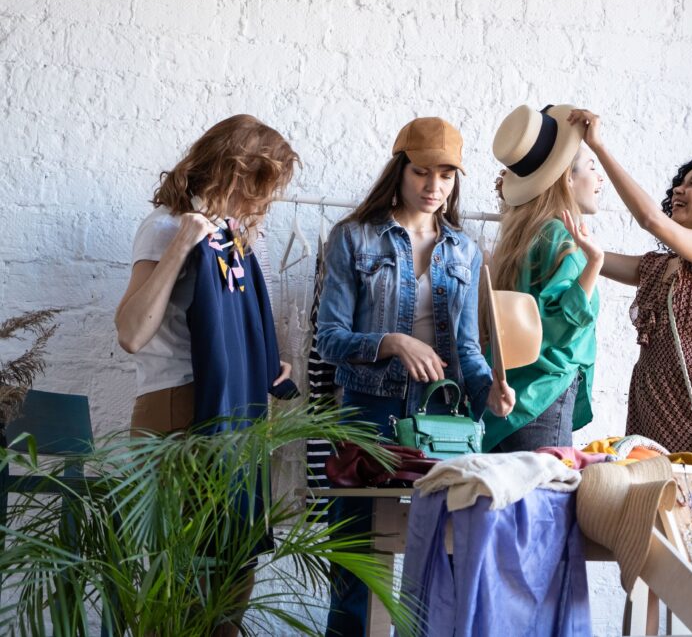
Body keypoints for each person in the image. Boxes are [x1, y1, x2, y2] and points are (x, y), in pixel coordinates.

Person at [315, 116, 515, 636]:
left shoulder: (465, 252)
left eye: (446, 176)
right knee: (357, 565)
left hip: (442, 424)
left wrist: (489, 391)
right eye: (423, 172)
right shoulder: (354, 239)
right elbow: (328, 340)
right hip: (369, 417)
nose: (434, 187)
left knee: (443, 562)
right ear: (400, 170)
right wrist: (392, 342)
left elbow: (468, 353)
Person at [115, 114, 299, 636]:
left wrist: (259, 362)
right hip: (178, 411)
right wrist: (181, 245)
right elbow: (131, 332)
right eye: (257, 186)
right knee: (179, 587)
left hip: (230, 413)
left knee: (229, 580)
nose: (261, 203)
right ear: (227, 171)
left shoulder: (233, 239)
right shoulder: (168, 227)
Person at [564, 108, 692, 453]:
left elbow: (650, 219)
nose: (679, 189)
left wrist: (598, 147)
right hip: (648, 397)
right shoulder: (660, 267)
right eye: (680, 181)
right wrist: (544, 213)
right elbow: (592, 258)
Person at [485, 104, 604, 452]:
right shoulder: (558, 236)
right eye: (592, 167)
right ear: (567, 177)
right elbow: (555, 324)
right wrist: (594, 262)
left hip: (513, 400)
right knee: (544, 505)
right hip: (541, 403)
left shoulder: (525, 235)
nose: (599, 179)